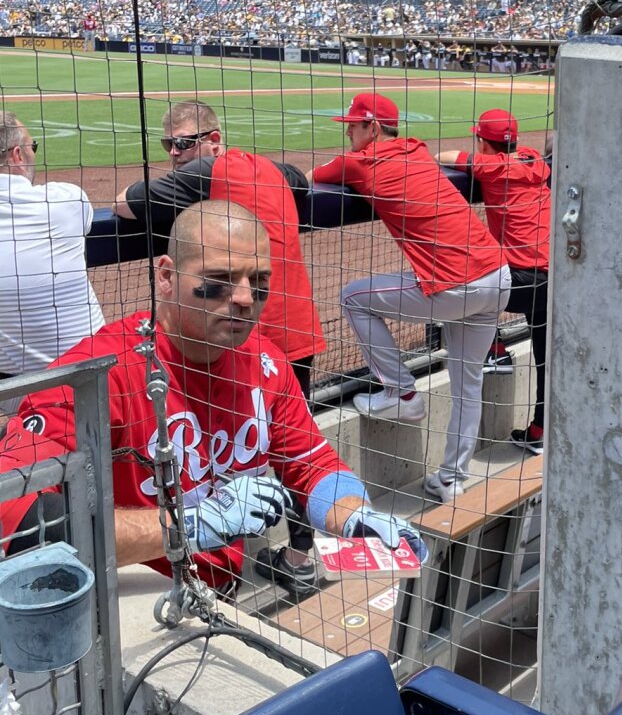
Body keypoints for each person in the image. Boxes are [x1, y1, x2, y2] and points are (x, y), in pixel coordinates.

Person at [0, 201, 420, 589]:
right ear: (166, 277)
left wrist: (354, 515)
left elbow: (311, 464)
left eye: (258, 281)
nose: (243, 298)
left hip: (219, 590)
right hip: (131, 593)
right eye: (219, 281)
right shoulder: (95, 376)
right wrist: (189, 524)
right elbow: (17, 517)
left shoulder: (265, 361)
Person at [113, 100, 326, 591]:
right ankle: (298, 556)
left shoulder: (205, 170)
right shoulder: (272, 167)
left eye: (185, 142)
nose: (174, 153)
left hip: (251, 337)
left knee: (222, 449)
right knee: (282, 451)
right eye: (168, 144)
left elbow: (125, 202)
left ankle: (215, 561)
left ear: (213, 139)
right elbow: (302, 181)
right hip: (297, 326)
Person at [309, 92, 509, 503]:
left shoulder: (356, 162)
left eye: (353, 125)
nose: (348, 131)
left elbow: (315, 175)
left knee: (352, 297)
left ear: (373, 128)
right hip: (498, 276)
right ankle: (451, 479)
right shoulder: (418, 149)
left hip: (455, 285)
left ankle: (401, 394)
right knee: (468, 385)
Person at [437, 109, 549, 454]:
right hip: (552, 279)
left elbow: (442, 157)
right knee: (545, 358)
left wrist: (484, 159)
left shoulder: (493, 166)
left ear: (484, 142)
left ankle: (495, 350)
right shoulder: (533, 159)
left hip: (519, 281)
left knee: (453, 287)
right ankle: (540, 430)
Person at [0, 113, 103, 379]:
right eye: (32, 147)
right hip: (90, 379)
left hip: (14, 391)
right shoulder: (64, 200)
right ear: (17, 155)